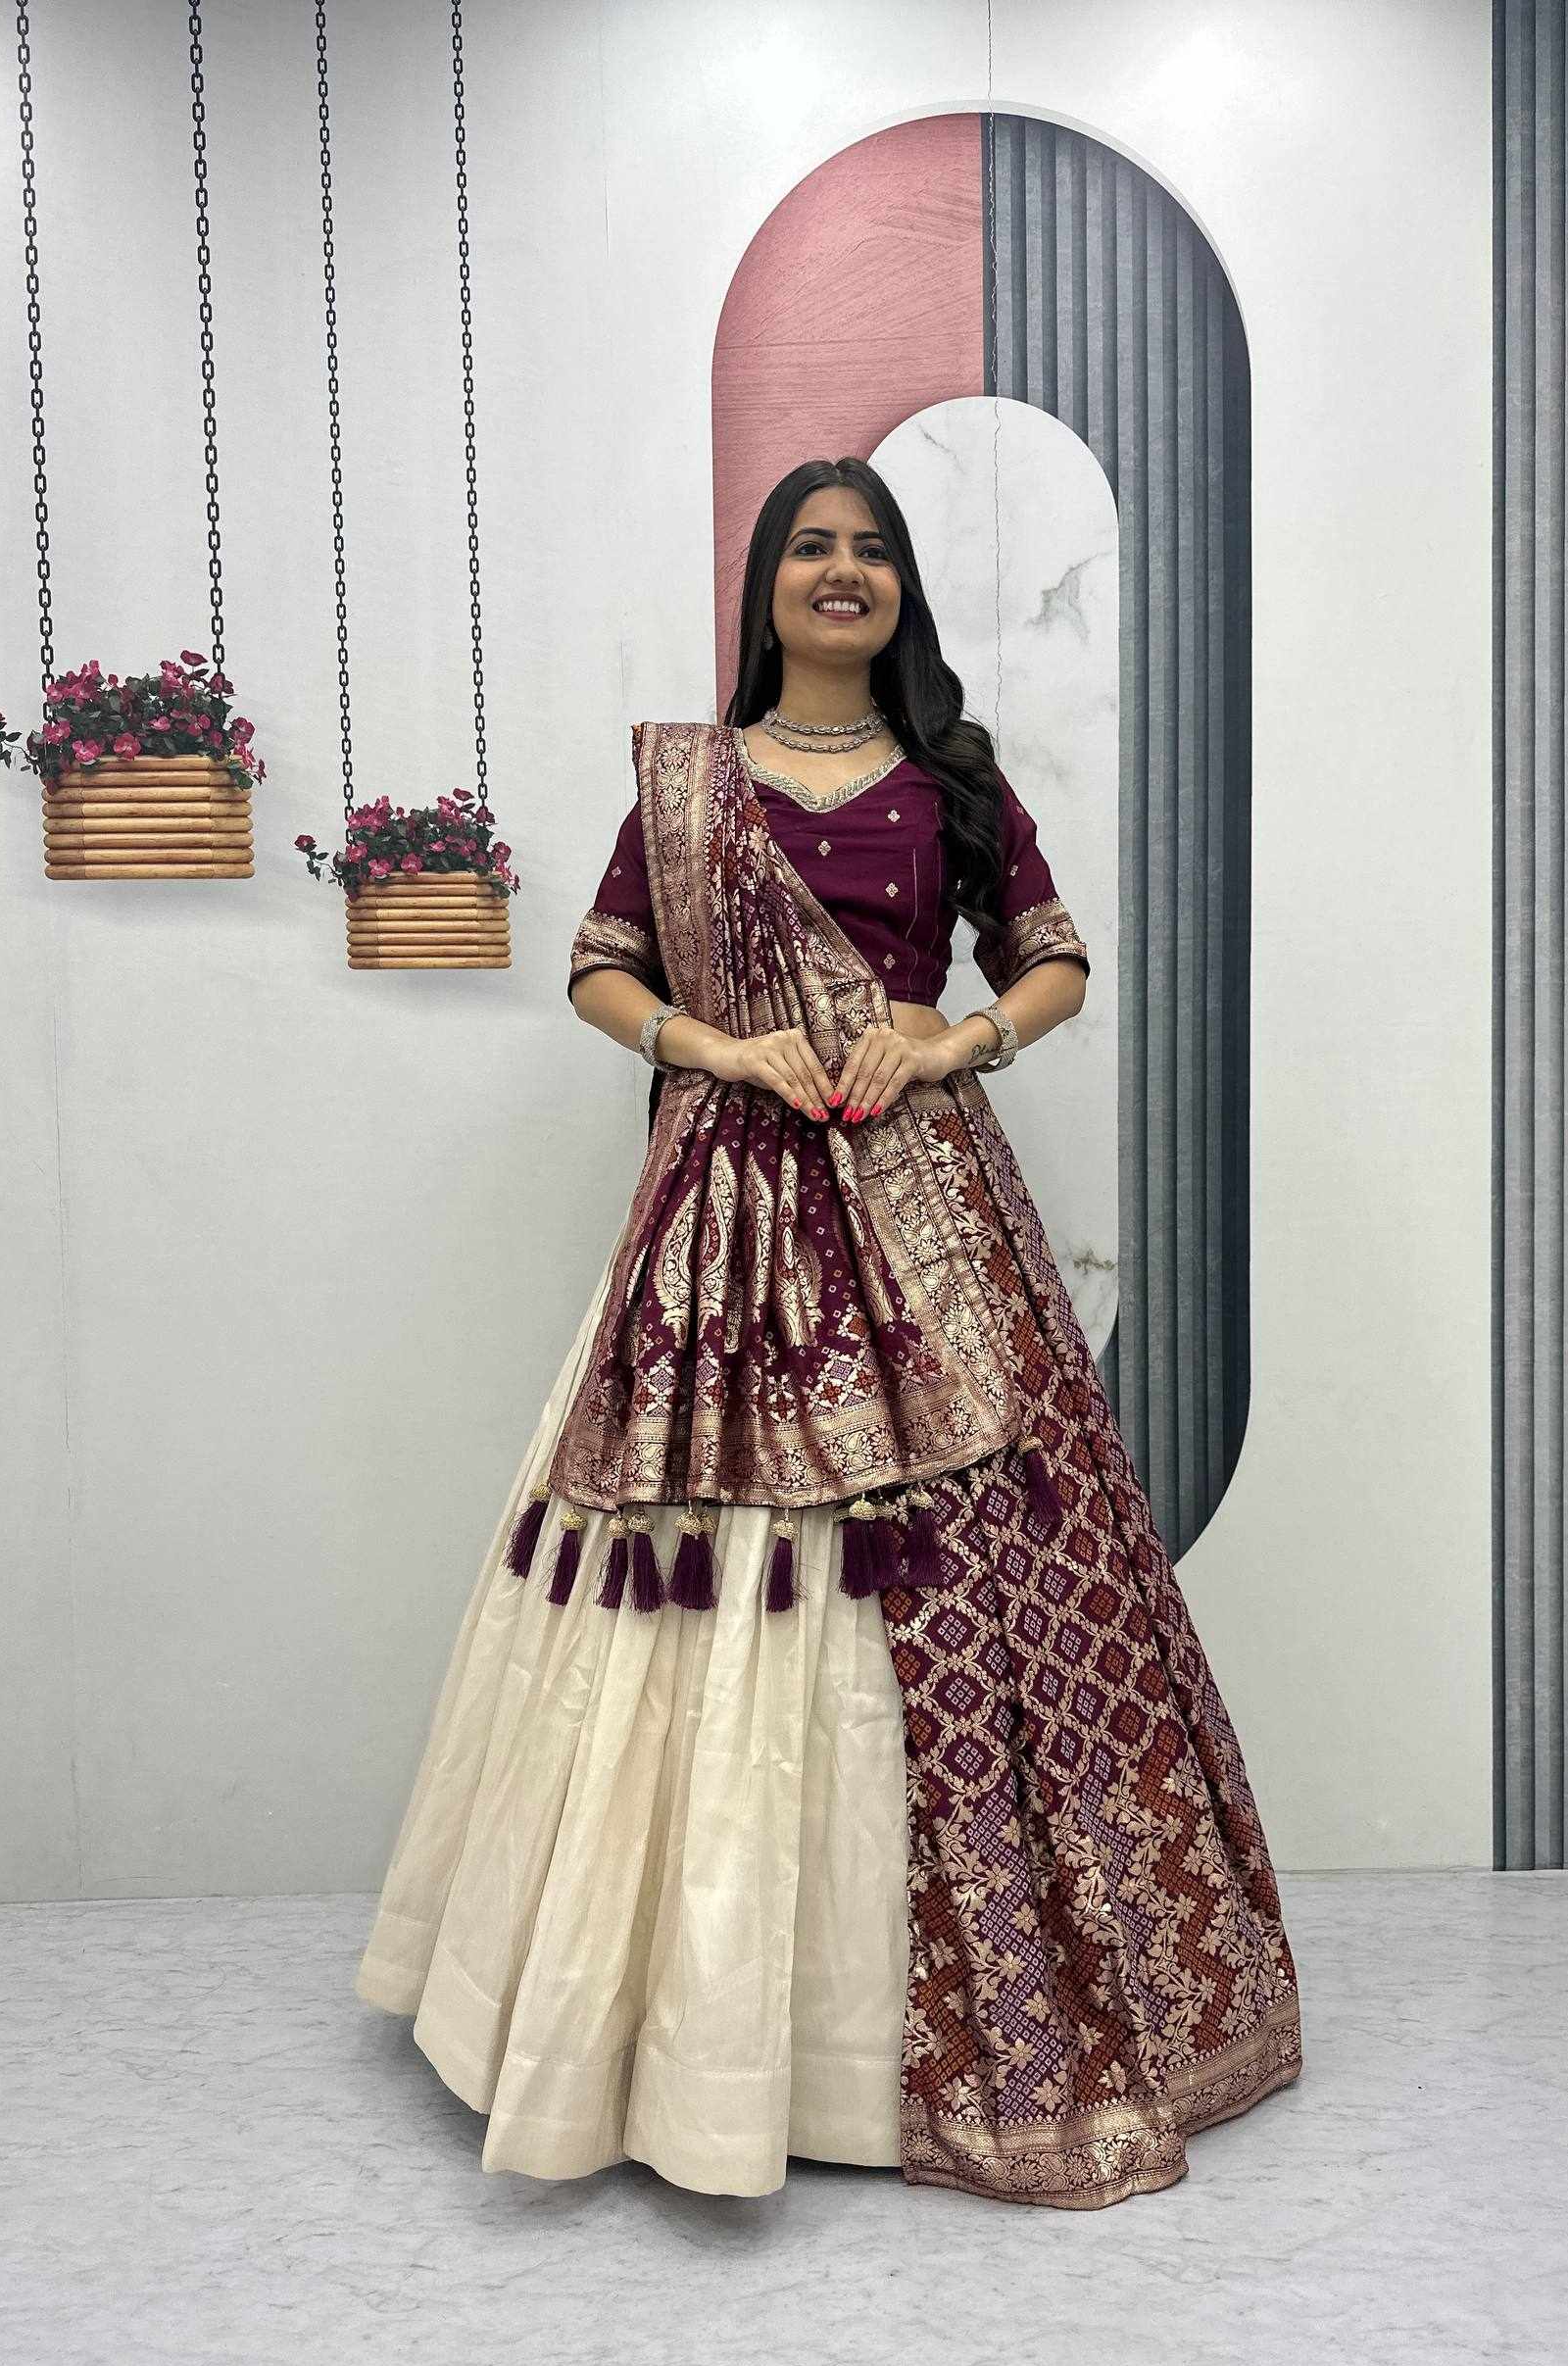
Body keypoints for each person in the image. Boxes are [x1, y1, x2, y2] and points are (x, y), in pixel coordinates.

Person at [354, 456, 1303, 2210]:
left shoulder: (954, 780)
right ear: (769, 584)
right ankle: (666, 2033)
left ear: (903, 590)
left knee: (998, 1576)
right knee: (696, 1573)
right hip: (721, 1218)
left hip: (926, 1211)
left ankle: (907, 2039)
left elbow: (1051, 956)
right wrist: (718, 1048)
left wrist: (955, 1040)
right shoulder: (690, 782)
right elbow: (602, 964)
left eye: (873, 549)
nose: (842, 571)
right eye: (813, 547)